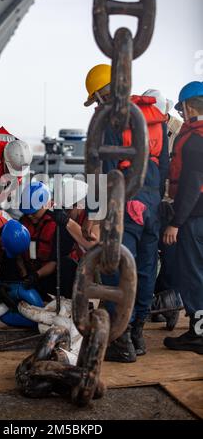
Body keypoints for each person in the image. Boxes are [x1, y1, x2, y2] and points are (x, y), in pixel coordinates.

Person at [83, 64, 169, 362]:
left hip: (125, 206)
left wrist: (94, 218)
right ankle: (137, 334)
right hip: (152, 207)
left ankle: (119, 341)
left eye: (95, 99)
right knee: (144, 271)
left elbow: (100, 172)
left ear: (100, 95)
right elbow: (165, 167)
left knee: (116, 272)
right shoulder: (152, 118)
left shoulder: (108, 120)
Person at [162, 81, 203, 354]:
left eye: (182, 108)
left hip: (194, 217)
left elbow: (192, 185)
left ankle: (198, 333)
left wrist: (176, 223)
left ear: (188, 107)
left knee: (194, 275)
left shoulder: (193, 140)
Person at [143, 90, 183, 330]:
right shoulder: (145, 126)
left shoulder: (179, 131)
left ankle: (165, 299)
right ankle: (156, 302)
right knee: (148, 254)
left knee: (170, 254)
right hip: (150, 202)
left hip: (172, 204)